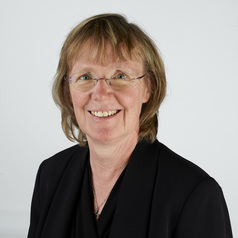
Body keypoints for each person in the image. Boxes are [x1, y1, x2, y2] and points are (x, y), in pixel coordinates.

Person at [28, 13, 233, 238]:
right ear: (68, 91)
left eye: (120, 75)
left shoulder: (195, 194)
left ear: (148, 88)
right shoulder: (50, 175)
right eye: (86, 77)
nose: (101, 93)